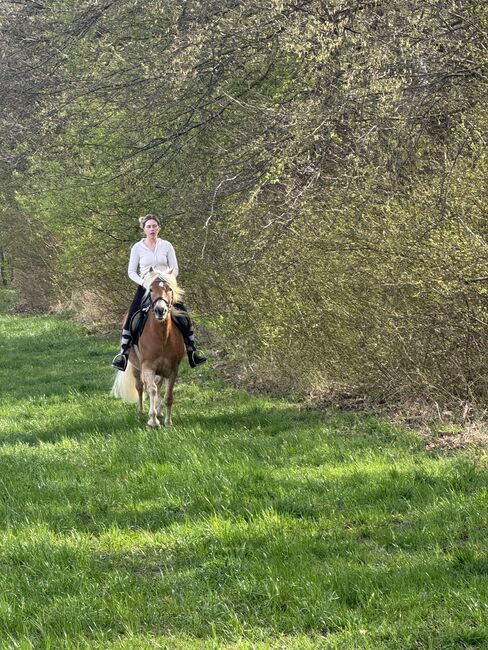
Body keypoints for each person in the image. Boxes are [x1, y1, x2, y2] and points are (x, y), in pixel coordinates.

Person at [111, 214, 207, 371]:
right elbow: (131, 272)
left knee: (183, 315)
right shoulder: (137, 248)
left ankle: (192, 351)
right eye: (148, 226)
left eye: (154, 226)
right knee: (132, 315)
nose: (152, 229)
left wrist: (167, 279)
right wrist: (144, 282)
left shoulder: (167, 245)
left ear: (159, 228)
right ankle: (123, 354)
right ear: (144, 229)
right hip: (146, 287)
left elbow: (175, 268)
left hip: (166, 287)